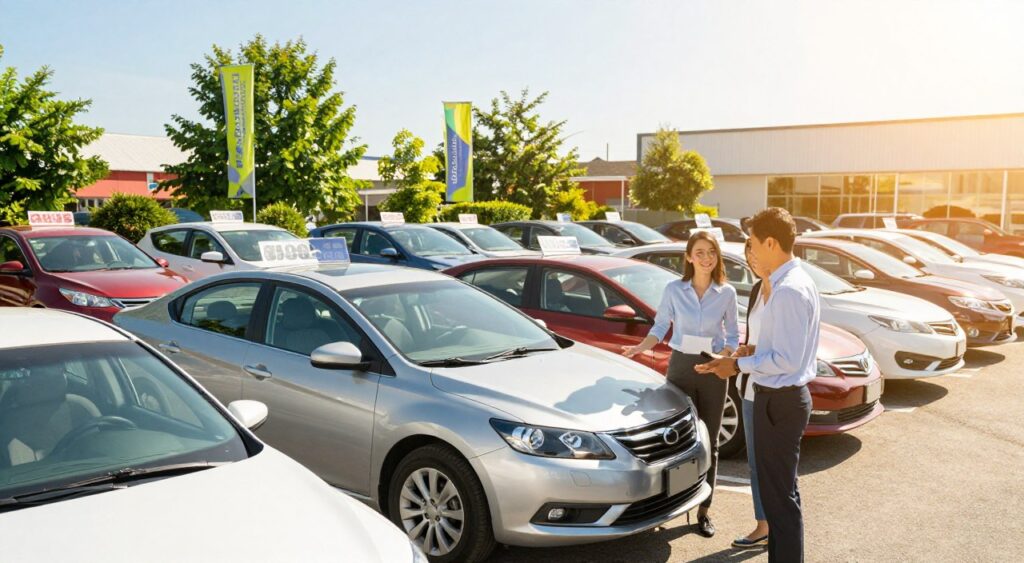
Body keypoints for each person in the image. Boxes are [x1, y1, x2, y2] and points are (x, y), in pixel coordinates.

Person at [696, 207, 819, 563]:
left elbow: (788, 360)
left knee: (779, 499)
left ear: (770, 242)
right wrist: (753, 351)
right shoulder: (784, 283)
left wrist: (736, 364)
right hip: (774, 397)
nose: (748, 249)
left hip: (779, 400)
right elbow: (779, 348)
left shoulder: (790, 290)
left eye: (751, 242)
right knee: (780, 493)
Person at [621, 230, 739, 538]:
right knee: (672, 438)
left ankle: (704, 509)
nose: (706, 258)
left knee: (709, 441)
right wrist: (640, 347)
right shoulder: (675, 289)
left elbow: (733, 337)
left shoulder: (726, 292)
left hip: (712, 367)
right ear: (688, 257)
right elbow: (661, 325)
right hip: (681, 367)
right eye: (699, 252)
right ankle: (666, 505)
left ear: (717, 257)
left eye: (711, 252)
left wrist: (722, 357)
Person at [730, 239, 770, 549]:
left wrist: (740, 361)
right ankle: (763, 524)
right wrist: (747, 349)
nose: (752, 260)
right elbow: (757, 338)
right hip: (751, 388)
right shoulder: (757, 289)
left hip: (775, 391)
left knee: (777, 464)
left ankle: (779, 523)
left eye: (755, 253)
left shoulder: (785, 292)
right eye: (747, 256)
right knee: (756, 462)